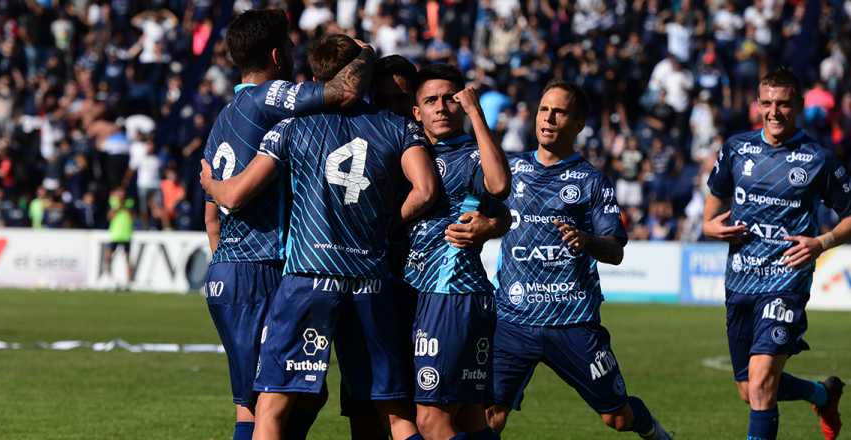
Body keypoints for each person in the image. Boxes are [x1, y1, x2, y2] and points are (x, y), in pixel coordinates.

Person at [201, 34, 438, 440]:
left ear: (313, 77)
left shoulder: (291, 127)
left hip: (309, 276)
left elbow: (237, 194)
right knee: (395, 413)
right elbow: (427, 191)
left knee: (271, 408)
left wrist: (210, 184)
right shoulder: (397, 126)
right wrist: (382, 224)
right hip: (369, 277)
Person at [485, 80, 673, 440]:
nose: (549, 118)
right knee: (490, 415)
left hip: (572, 321)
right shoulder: (509, 170)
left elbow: (615, 251)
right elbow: (489, 219)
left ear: (578, 124)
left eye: (560, 112)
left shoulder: (590, 181)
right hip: (512, 319)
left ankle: (655, 433)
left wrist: (586, 240)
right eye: (544, 109)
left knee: (616, 418)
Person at [702, 68, 851, 440]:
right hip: (740, 280)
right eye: (767, 103)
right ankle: (822, 395)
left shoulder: (818, 158)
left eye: (784, 104)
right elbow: (711, 210)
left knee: (761, 383)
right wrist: (711, 227)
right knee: (750, 390)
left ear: (799, 106)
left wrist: (821, 242)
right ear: (758, 104)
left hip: (786, 281)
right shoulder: (736, 148)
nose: (774, 112)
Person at [404, 63, 511, 440]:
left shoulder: (471, 155)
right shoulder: (412, 154)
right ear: (417, 112)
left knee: (432, 420)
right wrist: (496, 223)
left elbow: (498, 188)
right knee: (468, 417)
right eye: (430, 101)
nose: (441, 107)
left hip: (449, 294)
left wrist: (477, 115)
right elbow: (503, 216)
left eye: (450, 99)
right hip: (442, 295)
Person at [103, 187, 134, 290]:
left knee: (128, 258)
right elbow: (109, 217)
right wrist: (118, 207)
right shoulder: (113, 203)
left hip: (126, 234)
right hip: (115, 234)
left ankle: (129, 282)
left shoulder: (130, 203)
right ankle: (108, 277)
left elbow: (132, 217)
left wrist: (125, 207)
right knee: (108, 257)